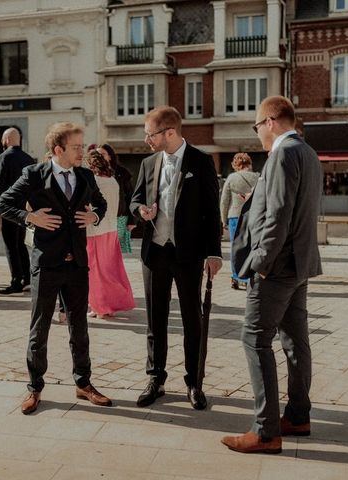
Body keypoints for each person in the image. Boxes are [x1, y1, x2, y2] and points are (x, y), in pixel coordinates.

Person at [222, 96, 322, 454]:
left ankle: (265, 431)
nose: (258, 134)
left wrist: (261, 262)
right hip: (300, 264)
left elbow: (278, 215)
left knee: (254, 338)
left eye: (257, 126)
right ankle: (297, 415)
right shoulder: (308, 153)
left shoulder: (282, 154)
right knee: (295, 339)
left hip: (277, 266)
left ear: (270, 121)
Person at [0, 122, 112, 414]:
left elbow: (101, 204)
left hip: (77, 265)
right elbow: (1, 204)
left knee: (80, 327)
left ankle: (84, 384)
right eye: (76, 147)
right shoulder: (34, 174)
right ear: (58, 149)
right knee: (40, 328)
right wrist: (29, 217)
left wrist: (94, 217)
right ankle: (35, 388)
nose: (82, 151)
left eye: (82, 146)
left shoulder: (85, 176)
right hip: (46, 264)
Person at [130, 105, 222, 411]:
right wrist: (140, 211)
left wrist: (214, 253)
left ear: (170, 132)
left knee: (191, 319)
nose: (147, 140)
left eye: (150, 134)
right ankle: (155, 379)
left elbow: (212, 211)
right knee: (155, 320)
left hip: (188, 254)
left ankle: (194, 383)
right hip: (154, 253)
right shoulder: (147, 163)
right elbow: (134, 200)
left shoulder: (201, 161)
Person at [85, 149, 135, 318]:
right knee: (110, 269)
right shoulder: (112, 180)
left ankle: (99, 306)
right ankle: (109, 304)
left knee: (95, 270)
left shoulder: (94, 180)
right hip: (111, 229)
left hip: (95, 230)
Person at [0, 128, 36, 295]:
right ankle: (27, 278)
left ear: (6, 140)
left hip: (9, 208)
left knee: (11, 245)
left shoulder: (4, 157)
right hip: (25, 208)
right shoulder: (28, 158)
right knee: (21, 243)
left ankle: (16, 281)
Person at [220, 153, 259, 290]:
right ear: (249, 163)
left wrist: (223, 220)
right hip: (253, 216)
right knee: (250, 247)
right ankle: (249, 276)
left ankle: (236, 276)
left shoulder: (232, 178)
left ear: (236, 165)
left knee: (235, 248)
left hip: (235, 217)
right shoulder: (258, 177)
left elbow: (224, 201)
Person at [97, 144, 136, 254]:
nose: (100, 156)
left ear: (110, 156)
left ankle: (112, 271)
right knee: (101, 251)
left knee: (115, 252)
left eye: (103, 154)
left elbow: (130, 196)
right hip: (100, 219)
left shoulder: (122, 173)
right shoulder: (91, 173)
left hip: (119, 218)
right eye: (97, 154)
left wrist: (132, 220)